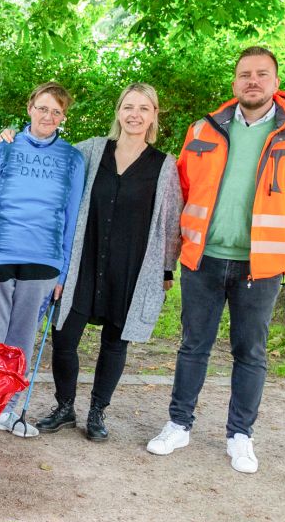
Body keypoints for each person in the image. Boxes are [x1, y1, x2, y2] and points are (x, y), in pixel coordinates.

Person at [146, 47, 285, 473]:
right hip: (203, 258)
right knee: (193, 346)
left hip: (261, 266)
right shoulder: (202, 130)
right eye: (245, 74)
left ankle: (240, 436)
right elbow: (181, 189)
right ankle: (178, 424)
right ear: (234, 82)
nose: (252, 81)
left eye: (261, 74)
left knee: (250, 351)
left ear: (275, 82)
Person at [33, 84, 182, 442]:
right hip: (83, 259)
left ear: (154, 115)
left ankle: (98, 410)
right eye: (128, 106)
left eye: (144, 108)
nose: (135, 114)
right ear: (118, 111)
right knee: (64, 335)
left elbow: (170, 220)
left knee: (116, 342)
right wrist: (15, 138)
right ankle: (65, 406)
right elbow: (49, 155)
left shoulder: (163, 166)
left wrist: (165, 269)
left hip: (129, 265)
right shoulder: (90, 151)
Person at [0, 82, 85, 440]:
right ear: (30, 107)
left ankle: (8, 409)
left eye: (56, 111)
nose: (48, 116)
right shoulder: (4, 147)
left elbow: (71, 215)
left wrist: (62, 270)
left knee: (22, 339)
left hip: (43, 259)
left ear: (63, 117)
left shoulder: (72, 159)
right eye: (43, 108)